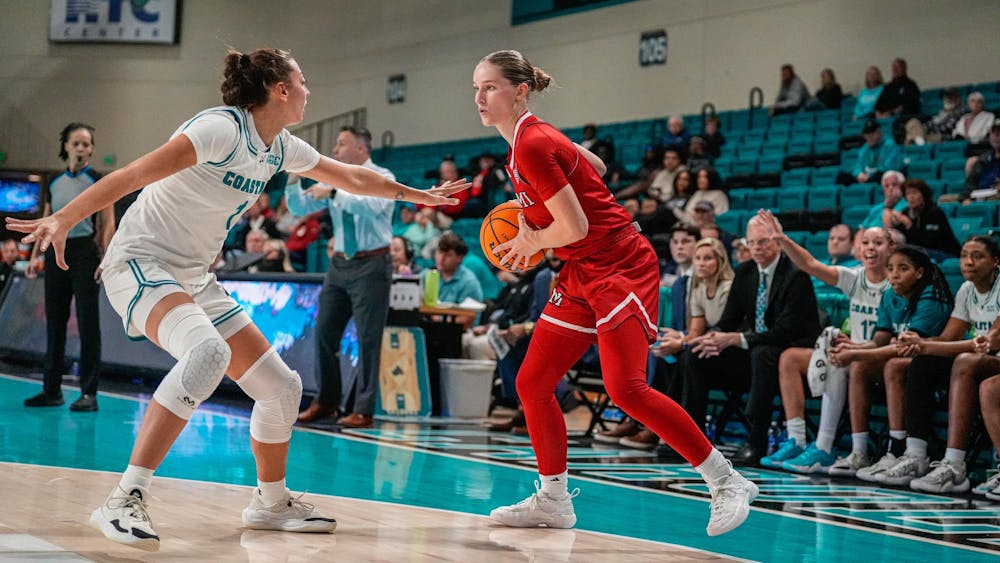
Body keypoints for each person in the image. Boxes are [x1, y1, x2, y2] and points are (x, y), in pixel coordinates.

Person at [6, 48, 467, 552]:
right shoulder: (219, 129)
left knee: (282, 389)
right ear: (280, 90)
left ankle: (270, 502)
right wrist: (67, 216)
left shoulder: (279, 147)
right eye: (303, 80)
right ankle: (123, 497)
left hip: (194, 277)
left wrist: (418, 195)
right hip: (140, 263)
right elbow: (135, 174)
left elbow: (353, 177)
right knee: (207, 353)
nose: (309, 90)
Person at [473, 49, 756, 536]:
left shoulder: (533, 144)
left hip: (621, 264)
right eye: (476, 88)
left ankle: (726, 480)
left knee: (626, 388)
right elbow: (599, 167)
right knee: (533, 382)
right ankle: (554, 500)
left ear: (520, 91)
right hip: (584, 268)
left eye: (490, 87)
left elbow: (575, 222)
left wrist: (531, 239)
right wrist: (551, 198)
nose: (479, 97)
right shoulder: (531, 140)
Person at [758, 217, 893, 475]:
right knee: (790, 358)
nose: (871, 248)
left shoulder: (895, 284)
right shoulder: (855, 278)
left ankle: (824, 446)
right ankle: (796, 440)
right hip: (852, 353)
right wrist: (784, 241)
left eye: (878, 242)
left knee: (838, 361)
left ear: (891, 249)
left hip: (877, 357)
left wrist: (854, 348)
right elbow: (810, 264)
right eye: (865, 242)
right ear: (858, 248)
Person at [685, 215, 821, 465]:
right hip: (754, 352)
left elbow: (785, 332)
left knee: (763, 354)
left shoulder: (795, 275)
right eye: (752, 242)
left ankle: (756, 441)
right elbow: (728, 321)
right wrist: (712, 338)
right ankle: (692, 439)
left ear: (778, 243)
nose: (757, 248)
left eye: (763, 242)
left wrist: (736, 338)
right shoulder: (746, 271)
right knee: (696, 354)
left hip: (790, 355)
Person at [288, 125, 398, 429]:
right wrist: (294, 175)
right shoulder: (334, 177)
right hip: (339, 267)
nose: (334, 151)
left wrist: (335, 190)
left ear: (361, 149)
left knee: (368, 339)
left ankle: (363, 408)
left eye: (341, 144)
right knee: (324, 332)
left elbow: (371, 206)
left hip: (372, 264)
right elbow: (299, 206)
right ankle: (326, 401)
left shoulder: (383, 177)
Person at [826, 246, 951, 480]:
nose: (894, 275)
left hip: (935, 365)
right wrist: (852, 348)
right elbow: (879, 341)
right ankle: (859, 451)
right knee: (860, 366)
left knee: (890, 364)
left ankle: (897, 449)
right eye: (891, 269)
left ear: (920, 272)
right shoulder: (889, 295)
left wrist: (854, 353)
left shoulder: (931, 296)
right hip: (906, 362)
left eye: (903, 269)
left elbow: (906, 348)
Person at [891, 236, 1000, 491]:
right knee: (922, 362)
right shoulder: (966, 290)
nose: (968, 262)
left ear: (996, 261)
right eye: (963, 256)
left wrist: (927, 345)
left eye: (978, 256)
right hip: (981, 362)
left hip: (990, 360)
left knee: (965, 362)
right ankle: (915, 454)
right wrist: (920, 343)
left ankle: (955, 465)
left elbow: (992, 340)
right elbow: (947, 338)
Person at [22, 122, 114, 412]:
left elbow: (108, 223)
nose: (81, 149)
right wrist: (36, 256)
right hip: (53, 255)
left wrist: (105, 258)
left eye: (87, 144)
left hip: (84, 253)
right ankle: (52, 391)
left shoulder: (100, 180)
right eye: (76, 143)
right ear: (66, 147)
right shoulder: (53, 182)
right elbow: (45, 221)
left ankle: (89, 393)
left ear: (91, 149)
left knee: (88, 324)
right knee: (55, 323)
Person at [886, 179, 960, 260]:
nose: (911, 197)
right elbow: (900, 235)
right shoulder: (906, 212)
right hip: (920, 252)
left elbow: (929, 243)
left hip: (944, 253)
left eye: (914, 192)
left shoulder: (935, 213)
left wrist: (909, 225)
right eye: (908, 194)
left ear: (924, 195)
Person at [960, 120, 1000, 203]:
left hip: (996, 199)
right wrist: (965, 198)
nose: (996, 136)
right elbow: (970, 184)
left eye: (999, 133)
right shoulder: (983, 159)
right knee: (944, 200)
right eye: (994, 133)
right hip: (979, 198)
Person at [852, 120, 903, 184]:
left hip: (883, 178)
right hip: (866, 177)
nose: (870, 137)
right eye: (867, 134)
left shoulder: (890, 145)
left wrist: (869, 176)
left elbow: (890, 167)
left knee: (881, 175)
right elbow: (858, 166)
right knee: (842, 177)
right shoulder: (864, 148)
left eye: (872, 133)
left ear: (879, 133)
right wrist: (859, 174)